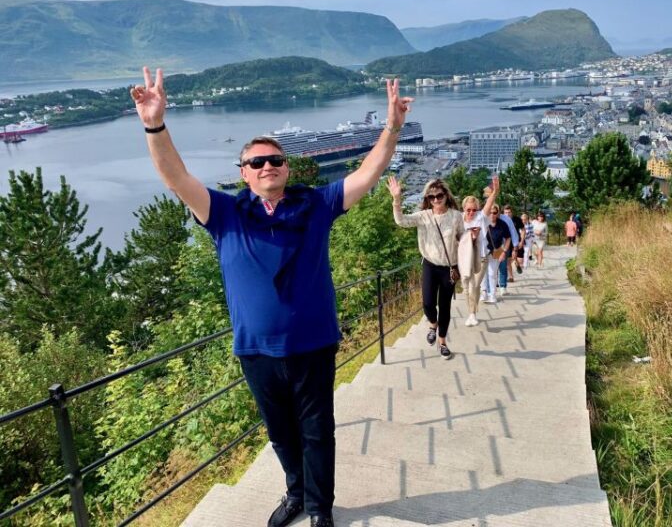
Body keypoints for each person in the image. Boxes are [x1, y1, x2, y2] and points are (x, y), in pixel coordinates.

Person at [130, 67, 413, 527]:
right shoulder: (223, 213)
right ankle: (296, 493)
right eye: (257, 162)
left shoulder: (316, 205)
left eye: (275, 161)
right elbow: (175, 176)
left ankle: (320, 509)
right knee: (281, 434)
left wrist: (393, 126)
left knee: (318, 432)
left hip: (313, 343)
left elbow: (369, 171)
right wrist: (154, 124)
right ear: (243, 173)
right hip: (256, 350)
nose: (267, 167)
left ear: (288, 167)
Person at [387, 176, 464, 359]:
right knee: (428, 303)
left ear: (446, 195)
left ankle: (442, 342)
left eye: (439, 195)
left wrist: (470, 245)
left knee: (445, 306)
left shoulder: (456, 216)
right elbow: (401, 221)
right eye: (432, 197)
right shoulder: (424, 216)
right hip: (430, 264)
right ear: (427, 200)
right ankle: (433, 324)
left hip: (449, 267)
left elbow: (462, 237)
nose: (436, 200)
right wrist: (397, 199)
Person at [459, 176, 499, 326]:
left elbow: (489, 203)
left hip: (481, 257)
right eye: (468, 210)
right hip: (465, 259)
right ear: (464, 209)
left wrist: (495, 191)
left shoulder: (481, 217)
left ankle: (472, 314)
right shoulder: (459, 219)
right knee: (466, 288)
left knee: (474, 286)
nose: (471, 212)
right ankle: (471, 312)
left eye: (474, 209)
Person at [482, 203, 511, 303]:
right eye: (490, 212)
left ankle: (493, 295)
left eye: (494, 213)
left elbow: (508, 238)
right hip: (483, 251)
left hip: (496, 252)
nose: (492, 215)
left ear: (498, 213)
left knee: (492, 273)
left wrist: (504, 251)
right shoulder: (483, 223)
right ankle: (484, 293)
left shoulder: (502, 224)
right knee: (483, 273)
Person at [496, 207, 519, 296]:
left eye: (496, 212)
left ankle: (502, 286)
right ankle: (490, 287)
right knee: (491, 268)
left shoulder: (506, 219)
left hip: (503, 245)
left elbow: (513, 232)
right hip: (490, 246)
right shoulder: (486, 216)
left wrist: (515, 247)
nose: (494, 214)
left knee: (502, 266)